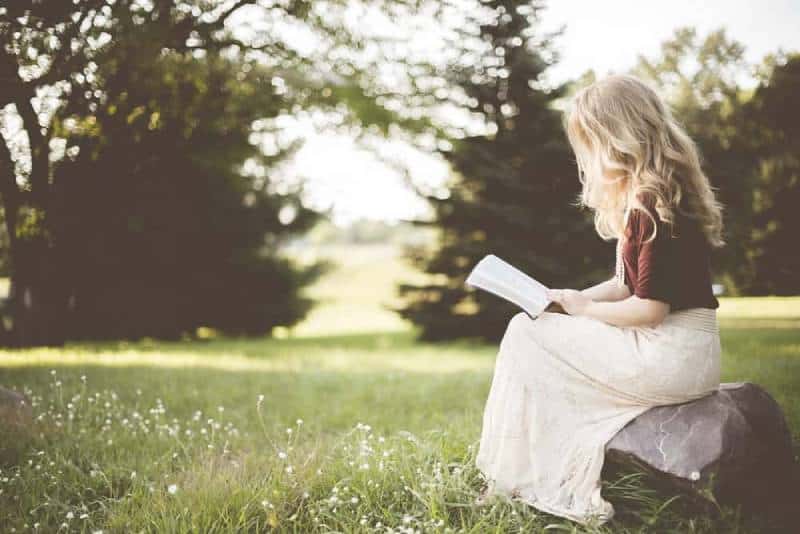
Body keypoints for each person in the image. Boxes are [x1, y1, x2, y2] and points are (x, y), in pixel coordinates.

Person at [473, 73, 726, 526]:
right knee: (533, 329)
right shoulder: (650, 195)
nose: (585, 158)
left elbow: (650, 309)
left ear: (617, 138)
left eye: (589, 144)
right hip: (680, 350)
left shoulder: (652, 201)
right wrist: (568, 299)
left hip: (671, 352)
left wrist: (584, 312)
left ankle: (513, 477)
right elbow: (624, 285)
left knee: (524, 335)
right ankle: (514, 474)